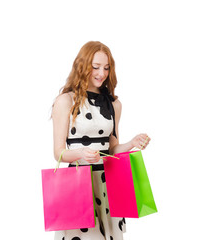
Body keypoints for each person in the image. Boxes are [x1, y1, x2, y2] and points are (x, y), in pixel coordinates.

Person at [51, 41, 150, 240]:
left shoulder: (114, 104)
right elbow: (58, 152)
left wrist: (131, 144)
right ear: (82, 65)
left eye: (106, 68)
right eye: (95, 67)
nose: (101, 73)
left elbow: (112, 148)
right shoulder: (66, 101)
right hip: (80, 184)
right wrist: (80, 153)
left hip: (107, 184)